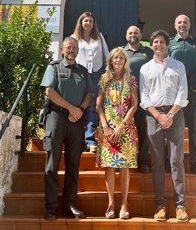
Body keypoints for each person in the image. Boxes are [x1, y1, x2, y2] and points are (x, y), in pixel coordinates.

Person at [41, 37, 93, 220]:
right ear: (62, 49)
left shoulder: (83, 72)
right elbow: (49, 91)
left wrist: (80, 110)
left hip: (76, 121)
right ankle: (51, 207)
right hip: (56, 117)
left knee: (73, 165)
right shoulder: (54, 67)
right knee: (51, 166)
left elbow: (89, 93)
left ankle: (70, 205)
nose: (71, 50)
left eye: (74, 48)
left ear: (78, 51)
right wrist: (71, 108)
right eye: (68, 47)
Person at [140, 30, 189, 222]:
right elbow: (144, 96)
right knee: (158, 162)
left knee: (176, 160)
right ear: (151, 45)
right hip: (153, 115)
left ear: (167, 45)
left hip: (175, 114)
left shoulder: (178, 66)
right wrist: (158, 115)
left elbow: (183, 91)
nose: (158, 45)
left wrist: (169, 114)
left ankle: (180, 206)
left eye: (162, 42)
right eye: (155, 42)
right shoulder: (145, 69)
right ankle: (160, 204)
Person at [96, 47, 138, 219]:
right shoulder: (104, 79)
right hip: (107, 127)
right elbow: (98, 105)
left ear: (125, 61)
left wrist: (121, 126)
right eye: (115, 58)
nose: (118, 60)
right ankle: (111, 203)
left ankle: (124, 204)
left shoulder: (131, 80)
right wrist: (105, 126)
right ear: (111, 61)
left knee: (124, 167)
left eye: (121, 58)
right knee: (110, 166)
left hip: (125, 128)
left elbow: (135, 105)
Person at [169, 14, 196, 175]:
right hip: (173, 93)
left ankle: (195, 163)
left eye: (185, 22)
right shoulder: (170, 43)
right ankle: (170, 162)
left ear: (189, 25)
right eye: (179, 22)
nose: (182, 24)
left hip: (192, 92)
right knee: (171, 128)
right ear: (175, 25)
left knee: (193, 128)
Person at [73, 12, 109, 153]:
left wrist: (107, 75)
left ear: (94, 24)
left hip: (96, 75)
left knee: (93, 107)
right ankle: (77, 139)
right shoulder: (74, 37)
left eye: (90, 21)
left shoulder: (99, 37)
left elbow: (106, 56)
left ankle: (89, 140)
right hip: (78, 75)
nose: (88, 23)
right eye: (85, 21)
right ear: (81, 23)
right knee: (79, 105)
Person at [124, 25, 153, 173]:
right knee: (123, 129)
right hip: (123, 99)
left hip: (143, 96)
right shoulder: (120, 53)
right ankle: (123, 160)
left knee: (143, 129)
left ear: (141, 35)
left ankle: (143, 161)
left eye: (136, 33)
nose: (133, 35)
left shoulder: (148, 53)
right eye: (130, 33)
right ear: (126, 36)